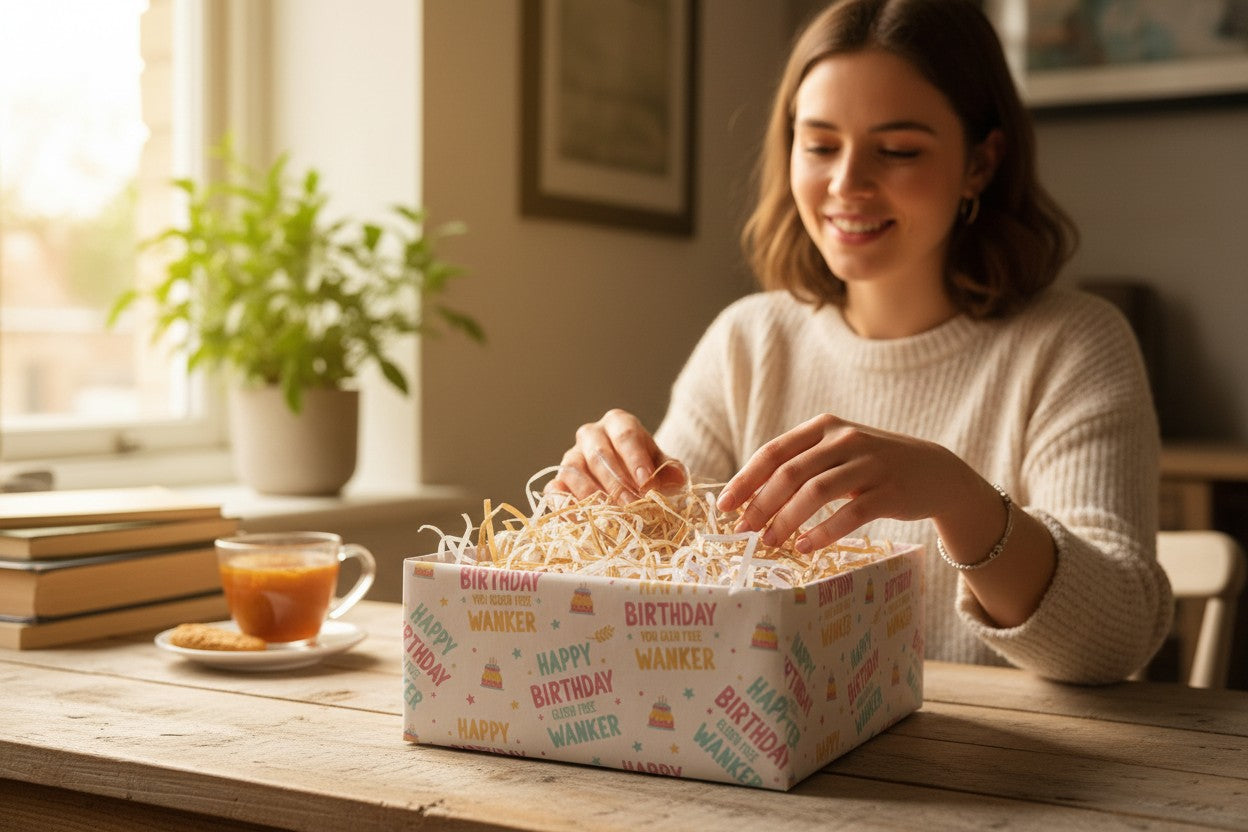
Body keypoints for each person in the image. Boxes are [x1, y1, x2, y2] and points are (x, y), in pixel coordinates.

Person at [547, 0, 1172, 684]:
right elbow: (649, 587)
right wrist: (602, 501)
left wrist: (960, 497)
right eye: (818, 145)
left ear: (981, 163)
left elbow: (1117, 639)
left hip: (999, 779)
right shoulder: (749, 342)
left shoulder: (1074, 345)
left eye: (898, 151)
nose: (846, 185)